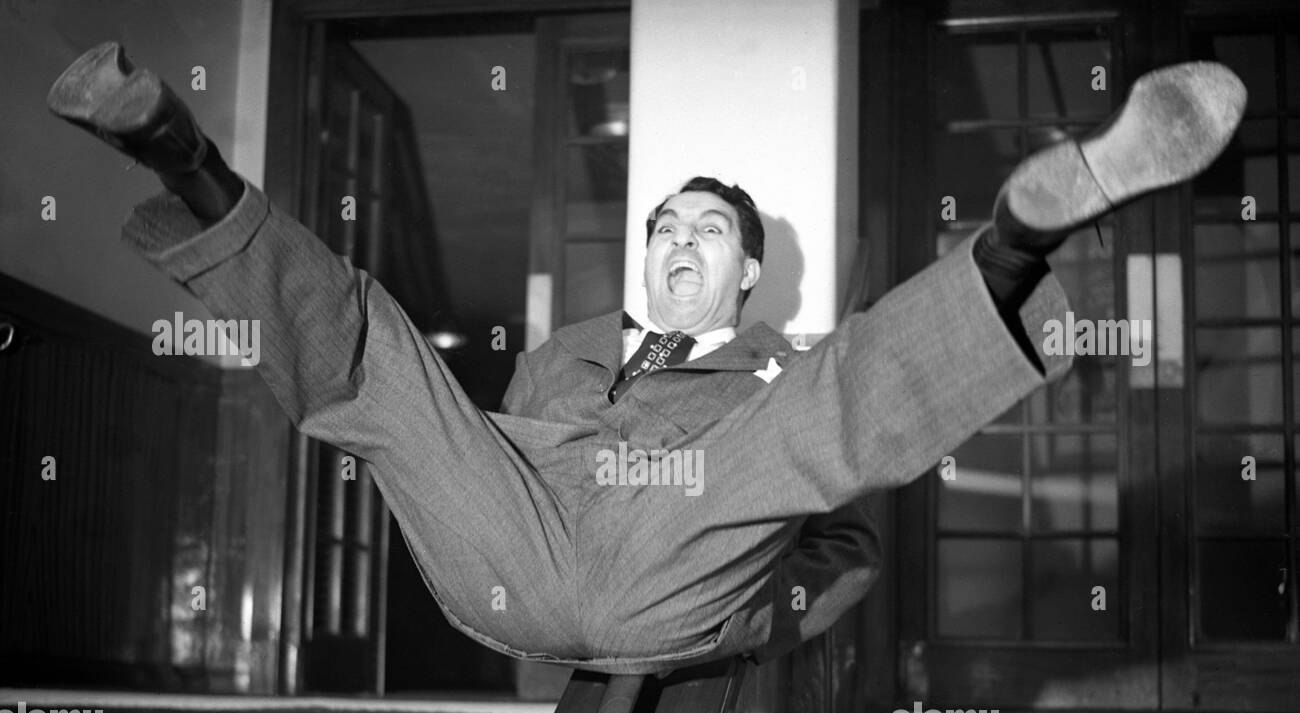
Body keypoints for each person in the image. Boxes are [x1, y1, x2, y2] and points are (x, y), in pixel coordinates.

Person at [47, 43, 1245, 675]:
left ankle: (1020, 237)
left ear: (744, 276)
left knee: (809, 410)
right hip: (509, 550)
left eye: (706, 231)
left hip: (676, 558)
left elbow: (845, 558)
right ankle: (188, 163)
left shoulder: (779, 367)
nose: (677, 243)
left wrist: (742, 614)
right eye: (662, 226)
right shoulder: (563, 356)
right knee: (381, 361)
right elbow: (486, 456)